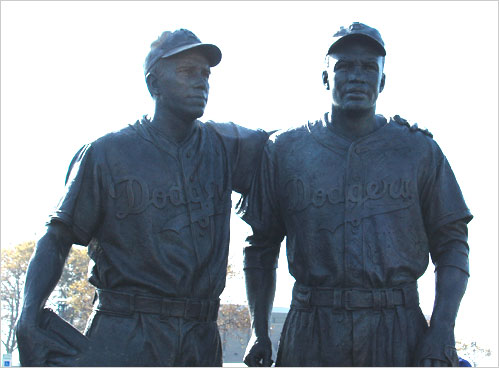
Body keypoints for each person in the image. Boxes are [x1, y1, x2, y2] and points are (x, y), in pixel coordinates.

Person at [15, 28, 269, 367]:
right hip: (126, 332)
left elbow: (286, 148)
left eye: (205, 74)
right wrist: (28, 314)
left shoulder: (224, 146)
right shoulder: (107, 154)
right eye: (187, 72)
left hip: (199, 336)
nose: (201, 82)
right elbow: (57, 237)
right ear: (154, 85)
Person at [241, 22, 472, 367]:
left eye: (368, 67)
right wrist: (258, 331)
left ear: (382, 81)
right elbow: (260, 246)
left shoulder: (418, 150)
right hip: (312, 328)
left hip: (397, 329)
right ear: (324, 78)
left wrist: (442, 329)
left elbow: (451, 242)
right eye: (344, 66)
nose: (357, 76)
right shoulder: (284, 149)